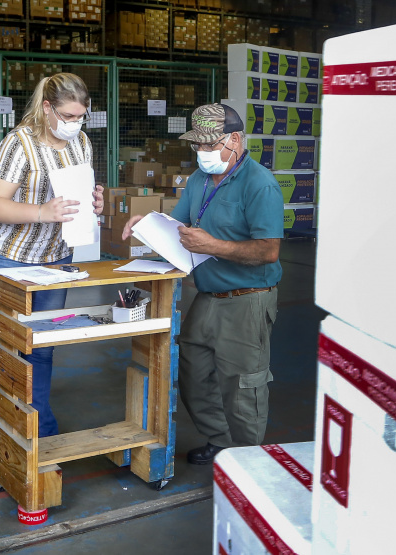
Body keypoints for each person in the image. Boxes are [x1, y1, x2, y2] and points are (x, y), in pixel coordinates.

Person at [122, 103, 283, 464]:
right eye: (199, 146)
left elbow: (268, 250)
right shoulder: (198, 181)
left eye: (211, 146)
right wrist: (146, 223)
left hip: (248, 298)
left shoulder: (260, 185)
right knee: (194, 373)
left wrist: (213, 246)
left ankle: (248, 459)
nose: (203, 153)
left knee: (243, 386)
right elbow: (176, 228)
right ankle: (221, 441)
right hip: (209, 294)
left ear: (235, 140)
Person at [0, 73, 105, 462]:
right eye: (67, 115)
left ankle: (38, 435)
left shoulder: (81, 142)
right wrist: (42, 212)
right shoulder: (19, 143)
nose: (75, 123)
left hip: (55, 260)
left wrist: (94, 204)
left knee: (42, 349)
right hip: (10, 259)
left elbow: (77, 196)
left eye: (81, 116)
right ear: (47, 108)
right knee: (3, 349)